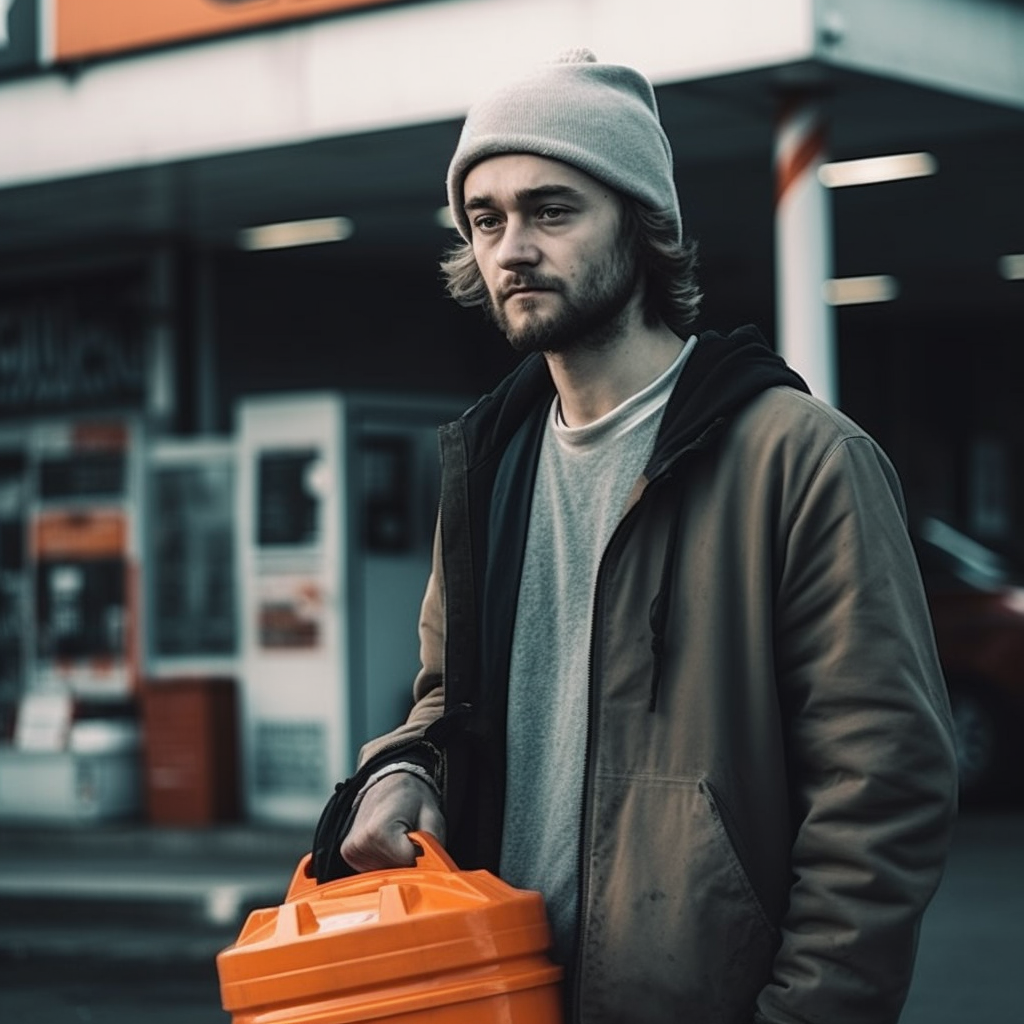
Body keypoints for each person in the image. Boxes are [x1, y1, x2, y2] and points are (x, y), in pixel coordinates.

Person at [309, 49, 958, 1024]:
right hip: (502, 991)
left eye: (551, 210)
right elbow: (448, 700)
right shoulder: (485, 468)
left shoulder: (798, 457)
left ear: (643, 222)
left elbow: (883, 787)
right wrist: (401, 769)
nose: (511, 248)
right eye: (485, 220)